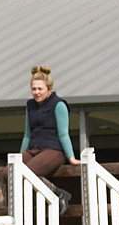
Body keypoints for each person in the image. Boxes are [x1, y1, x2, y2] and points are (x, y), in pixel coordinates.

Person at [21, 65, 80, 216]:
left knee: (28, 173)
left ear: (49, 89)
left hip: (53, 149)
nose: (36, 92)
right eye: (34, 89)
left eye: (40, 89)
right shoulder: (30, 105)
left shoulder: (58, 105)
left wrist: (71, 157)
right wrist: (18, 157)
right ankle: (27, 203)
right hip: (33, 148)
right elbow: (27, 134)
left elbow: (63, 134)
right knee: (9, 172)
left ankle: (59, 194)